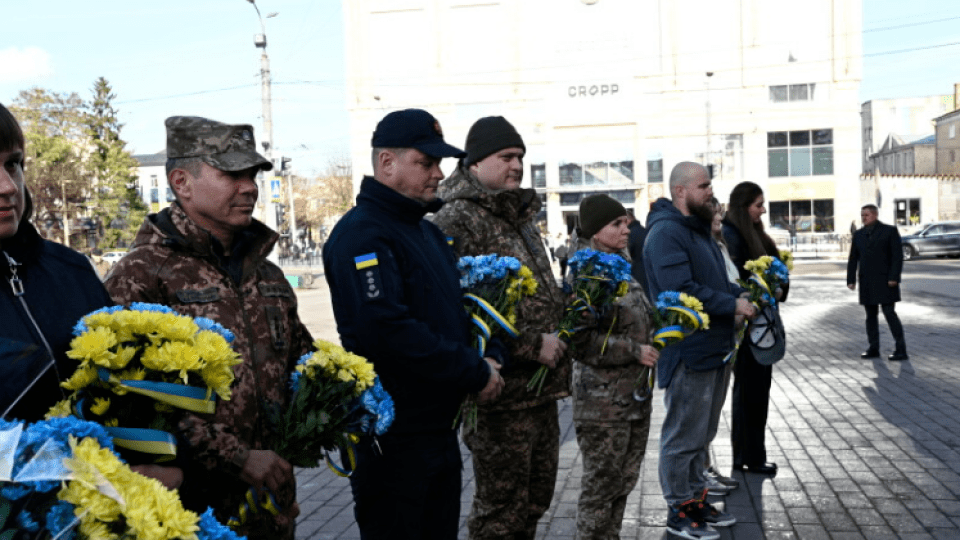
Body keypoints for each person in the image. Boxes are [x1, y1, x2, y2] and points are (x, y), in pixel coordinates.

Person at [104, 116, 312, 539]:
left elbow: (299, 363)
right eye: (232, 173)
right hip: (192, 513)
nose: (250, 186)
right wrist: (236, 457)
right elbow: (124, 401)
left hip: (268, 505)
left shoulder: (267, 274)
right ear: (181, 181)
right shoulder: (142, 276)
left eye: (251, 174)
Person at [322, 109, 504, 540]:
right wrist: (473, 371)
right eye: (427, 163)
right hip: (395, 444)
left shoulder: (425, 232)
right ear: (387, 163)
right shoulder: (363, 235)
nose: (439, 174)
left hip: (437, 433)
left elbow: (457, 313)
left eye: (439, 164)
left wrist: (492, 353)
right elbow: (385, 332)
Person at [432, 115, 568, 540]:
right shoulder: (455, 219)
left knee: (534, 503)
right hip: (501, 398)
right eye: (506, 156)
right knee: (500, 515)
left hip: (541, 393)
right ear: (474, 163)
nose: (517, 165)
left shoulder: (519, 215)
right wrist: (530, 345)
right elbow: (454, 311)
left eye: (521, 157)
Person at [643, 162, 756, 540]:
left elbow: (714, 280)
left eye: (710, 184)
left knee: (701, 434)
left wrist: (738, 293)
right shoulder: (666, 234)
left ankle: (695, 499)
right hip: (689, 352)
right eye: (704, 185)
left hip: (714, 349)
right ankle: (679, 510)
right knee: (682, 437)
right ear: (680, 191)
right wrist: (731, 305)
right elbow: (680, 290)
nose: (710, 191)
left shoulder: (697, 229)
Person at [1, 102, 114, 422]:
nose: (8, 187)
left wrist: (170, 461)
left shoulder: (73, 271)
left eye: (13, 164)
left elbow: (128, 392)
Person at [570, 194, 659, 540]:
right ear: (595, 232)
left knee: (622, 482)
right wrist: (634, 350)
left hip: (631, 399)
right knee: (601, 488)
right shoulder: (588, 273)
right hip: (602, 406)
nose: (626, 229)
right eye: (616, 224)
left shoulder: (618, 264)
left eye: (626, 222)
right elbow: (579, 341)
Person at [722, 182, 787, 476]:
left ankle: (748, 455)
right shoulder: (733, 236)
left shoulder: (753, 232)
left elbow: (776, 271)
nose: (762, 210)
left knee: (754, 391)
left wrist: (779, 285)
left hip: (759, 324)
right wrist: (762, 293)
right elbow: (737, 283)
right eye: (758, 205)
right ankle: (750, 457)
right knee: (751, 392)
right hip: (747, 327)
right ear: (743, 205)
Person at [847, 204, 907, 361]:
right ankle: (873, 348)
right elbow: (853, 259)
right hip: (867, 281)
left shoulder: (889, 231)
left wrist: (894, 277)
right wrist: (851, 280)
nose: (863, 218)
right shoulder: (858, 235)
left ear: (874, 215)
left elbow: (897, 257)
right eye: (862, 215)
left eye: (866, 215)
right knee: (870, 316)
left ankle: (901, 349)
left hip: (887, 281)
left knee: (889, 313)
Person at [626, 209, 648, 291]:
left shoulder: (630, 235)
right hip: (647, 274)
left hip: (636, 275)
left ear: (628, 220)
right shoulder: (644, 230)